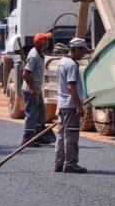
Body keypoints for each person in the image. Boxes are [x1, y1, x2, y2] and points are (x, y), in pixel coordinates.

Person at [54, 37, 88, 174]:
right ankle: (70, 163)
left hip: (62, 104)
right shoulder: (72, 65)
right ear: (76, 49)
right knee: (72, 135)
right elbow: (71, 87)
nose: (83, 54)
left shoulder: (62, 62)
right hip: (70, 105)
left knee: (61, 135)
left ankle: (59, 163)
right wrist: (79, 107)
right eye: (82, 51)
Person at [21, 33, 54, 146]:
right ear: (42, 43)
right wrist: (32, 89)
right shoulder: (34, 56)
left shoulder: (39, 53)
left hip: (36, 89)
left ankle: (38, 136)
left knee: (41, 112)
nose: (48, 42)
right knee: (31, 113)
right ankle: (27, 139)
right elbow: (25, 74)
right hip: (31, 90)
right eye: (46, 40)